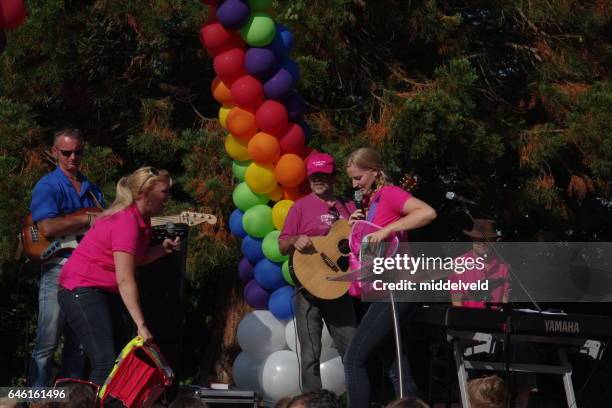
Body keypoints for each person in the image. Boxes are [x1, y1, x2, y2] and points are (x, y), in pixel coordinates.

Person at [57, 166, 181, 386]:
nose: (168, 197)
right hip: (81, 288)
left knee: (119, 361)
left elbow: (135, 259)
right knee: (105, 362)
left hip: (102, 291)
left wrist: (163, 249)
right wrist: (141, 324)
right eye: (164, 192)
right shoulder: (126, 222)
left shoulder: (142, 221)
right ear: (145, 193)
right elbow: (125, 278)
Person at [343, 147, 436, 408]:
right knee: (396, 366)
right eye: (352, 179)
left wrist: (388, 230)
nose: (354, 184)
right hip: (381, 290)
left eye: (359, 177)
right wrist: (357, 225)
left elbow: (427, 212)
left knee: (353, 360)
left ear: (374, 172)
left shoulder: (391, 194)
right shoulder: (371, 202)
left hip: (397, 289)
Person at [28, 128, 105, 387]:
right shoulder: (47, 185)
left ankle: (71, 400)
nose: (73, 157)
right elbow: (46, 228)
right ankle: (36, 399)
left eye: (78, 152)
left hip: (86, 273)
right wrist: (85, 219)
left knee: (79, 344)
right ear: (54, 152)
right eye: (66, 152)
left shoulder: (93, 190)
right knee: (47, 342)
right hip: (58, 268)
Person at [278, 152, 357, 392]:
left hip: (339, 287)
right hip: (307, 288)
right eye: (314, 176)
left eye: (323, 175)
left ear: (333, 177)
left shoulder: (350, 207)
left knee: (353, 350)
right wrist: (294, 239)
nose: (318, 180)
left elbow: (361, 245)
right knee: (310, 354)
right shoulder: (300, 207)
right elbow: (281, 245)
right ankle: (312, 402)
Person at [449, 219, 509, 307]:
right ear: (472, 239)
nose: (482, 243)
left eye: (486, 239)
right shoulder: (457, 264)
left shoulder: (504, 267)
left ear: (493, 241)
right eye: (478, 238)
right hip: (467, 319)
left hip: (496, 319)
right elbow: (457, 302)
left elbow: (505, 300)